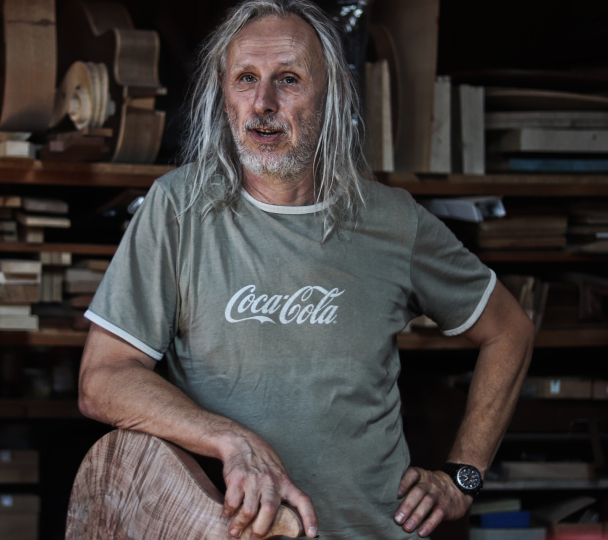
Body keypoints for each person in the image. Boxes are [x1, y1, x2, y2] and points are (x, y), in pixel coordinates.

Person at [78, 0, 534, 538]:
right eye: (245, 78)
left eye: (288, 79)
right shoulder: (178, 209)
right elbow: (104, 378)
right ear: (223, 94)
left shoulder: (393, 221)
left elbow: (509, 330)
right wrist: (231, 440)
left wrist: (463, 477)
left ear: (332, 92)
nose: (262, 103)